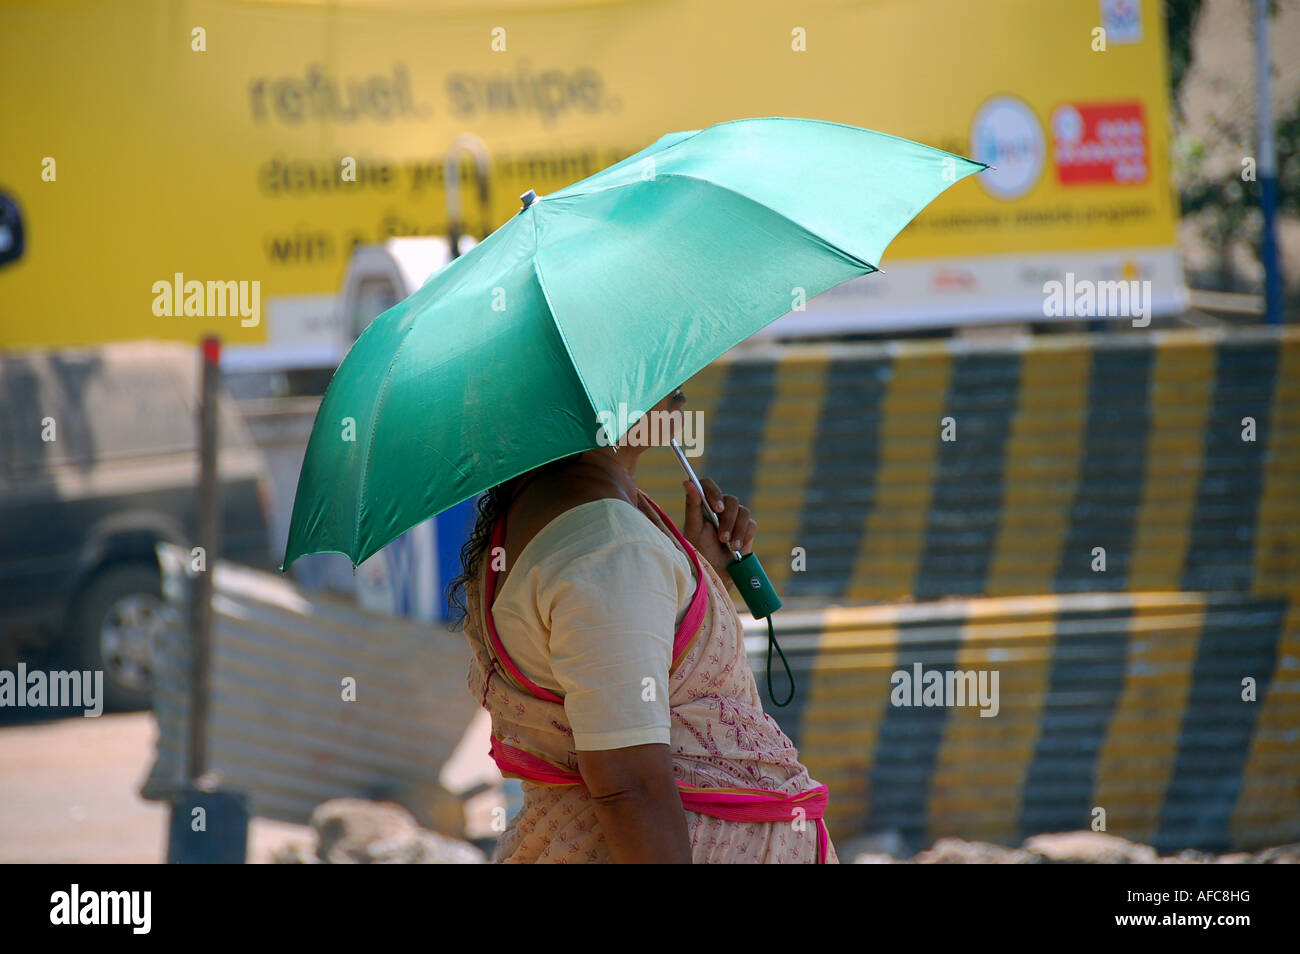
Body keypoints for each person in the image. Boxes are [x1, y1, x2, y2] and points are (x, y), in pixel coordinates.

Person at [447, 385, 838, 863]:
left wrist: (703, 580)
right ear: (591, 392)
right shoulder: (611, 547)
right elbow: (629, 787)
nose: (678, 383)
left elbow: (633, 680)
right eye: (645, 369)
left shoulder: (563, 514)